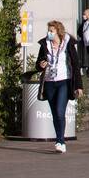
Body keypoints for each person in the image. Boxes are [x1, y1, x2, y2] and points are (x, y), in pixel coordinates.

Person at [35, 19, 83, 152]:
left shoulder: (68, 43)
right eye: (48, 31)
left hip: (64, 81)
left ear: (58, 31)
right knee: (55, 113)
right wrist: (41, 65)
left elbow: (75, 65)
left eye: (51, 31)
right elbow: (38, 63)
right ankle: (59, 138)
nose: (49, 33)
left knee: (60, 111)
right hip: (50, 82)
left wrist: (79, 86)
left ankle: (61, 141)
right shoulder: (45, 44)